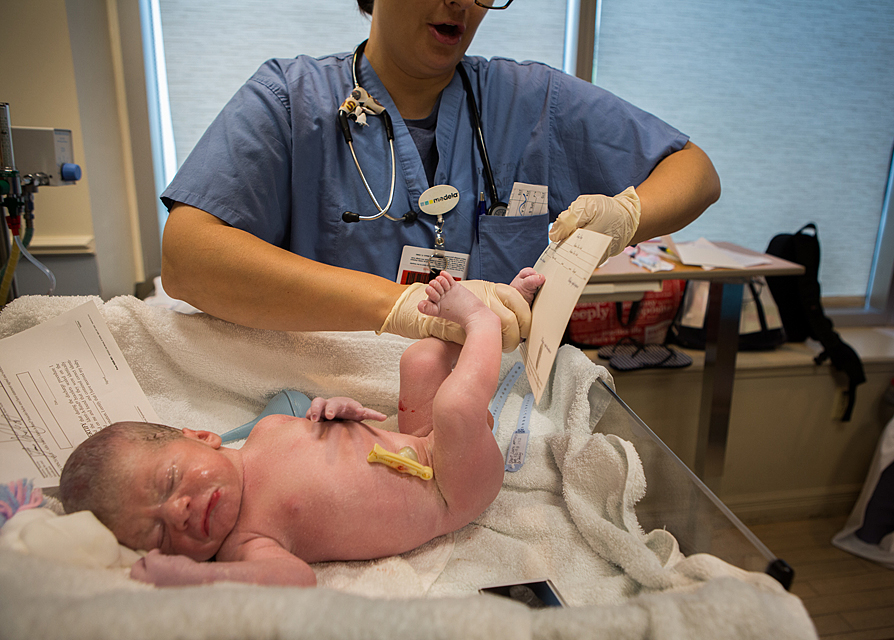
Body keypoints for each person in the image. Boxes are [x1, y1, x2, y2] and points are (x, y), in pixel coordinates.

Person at [158, 0, 721, 352]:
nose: (460, 3)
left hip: (489, 410)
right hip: (333, 407)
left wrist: (627, 215)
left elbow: (694, 171)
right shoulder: (289, 102)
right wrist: (396, 309)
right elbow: (187, 257)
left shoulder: (531, 102)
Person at [57, 270, 543, 587]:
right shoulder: (246, 542)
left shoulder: (267, 429)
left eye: (169, 482)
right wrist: (192, 577)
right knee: (457, 406)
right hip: (450, 489)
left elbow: (331, 432)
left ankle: (507, 313)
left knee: (419, 361)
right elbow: (295, 583)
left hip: (418, 442)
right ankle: (481, 322)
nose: (179, 512)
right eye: (159, 534)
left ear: (201, 437)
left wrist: (338, 408)